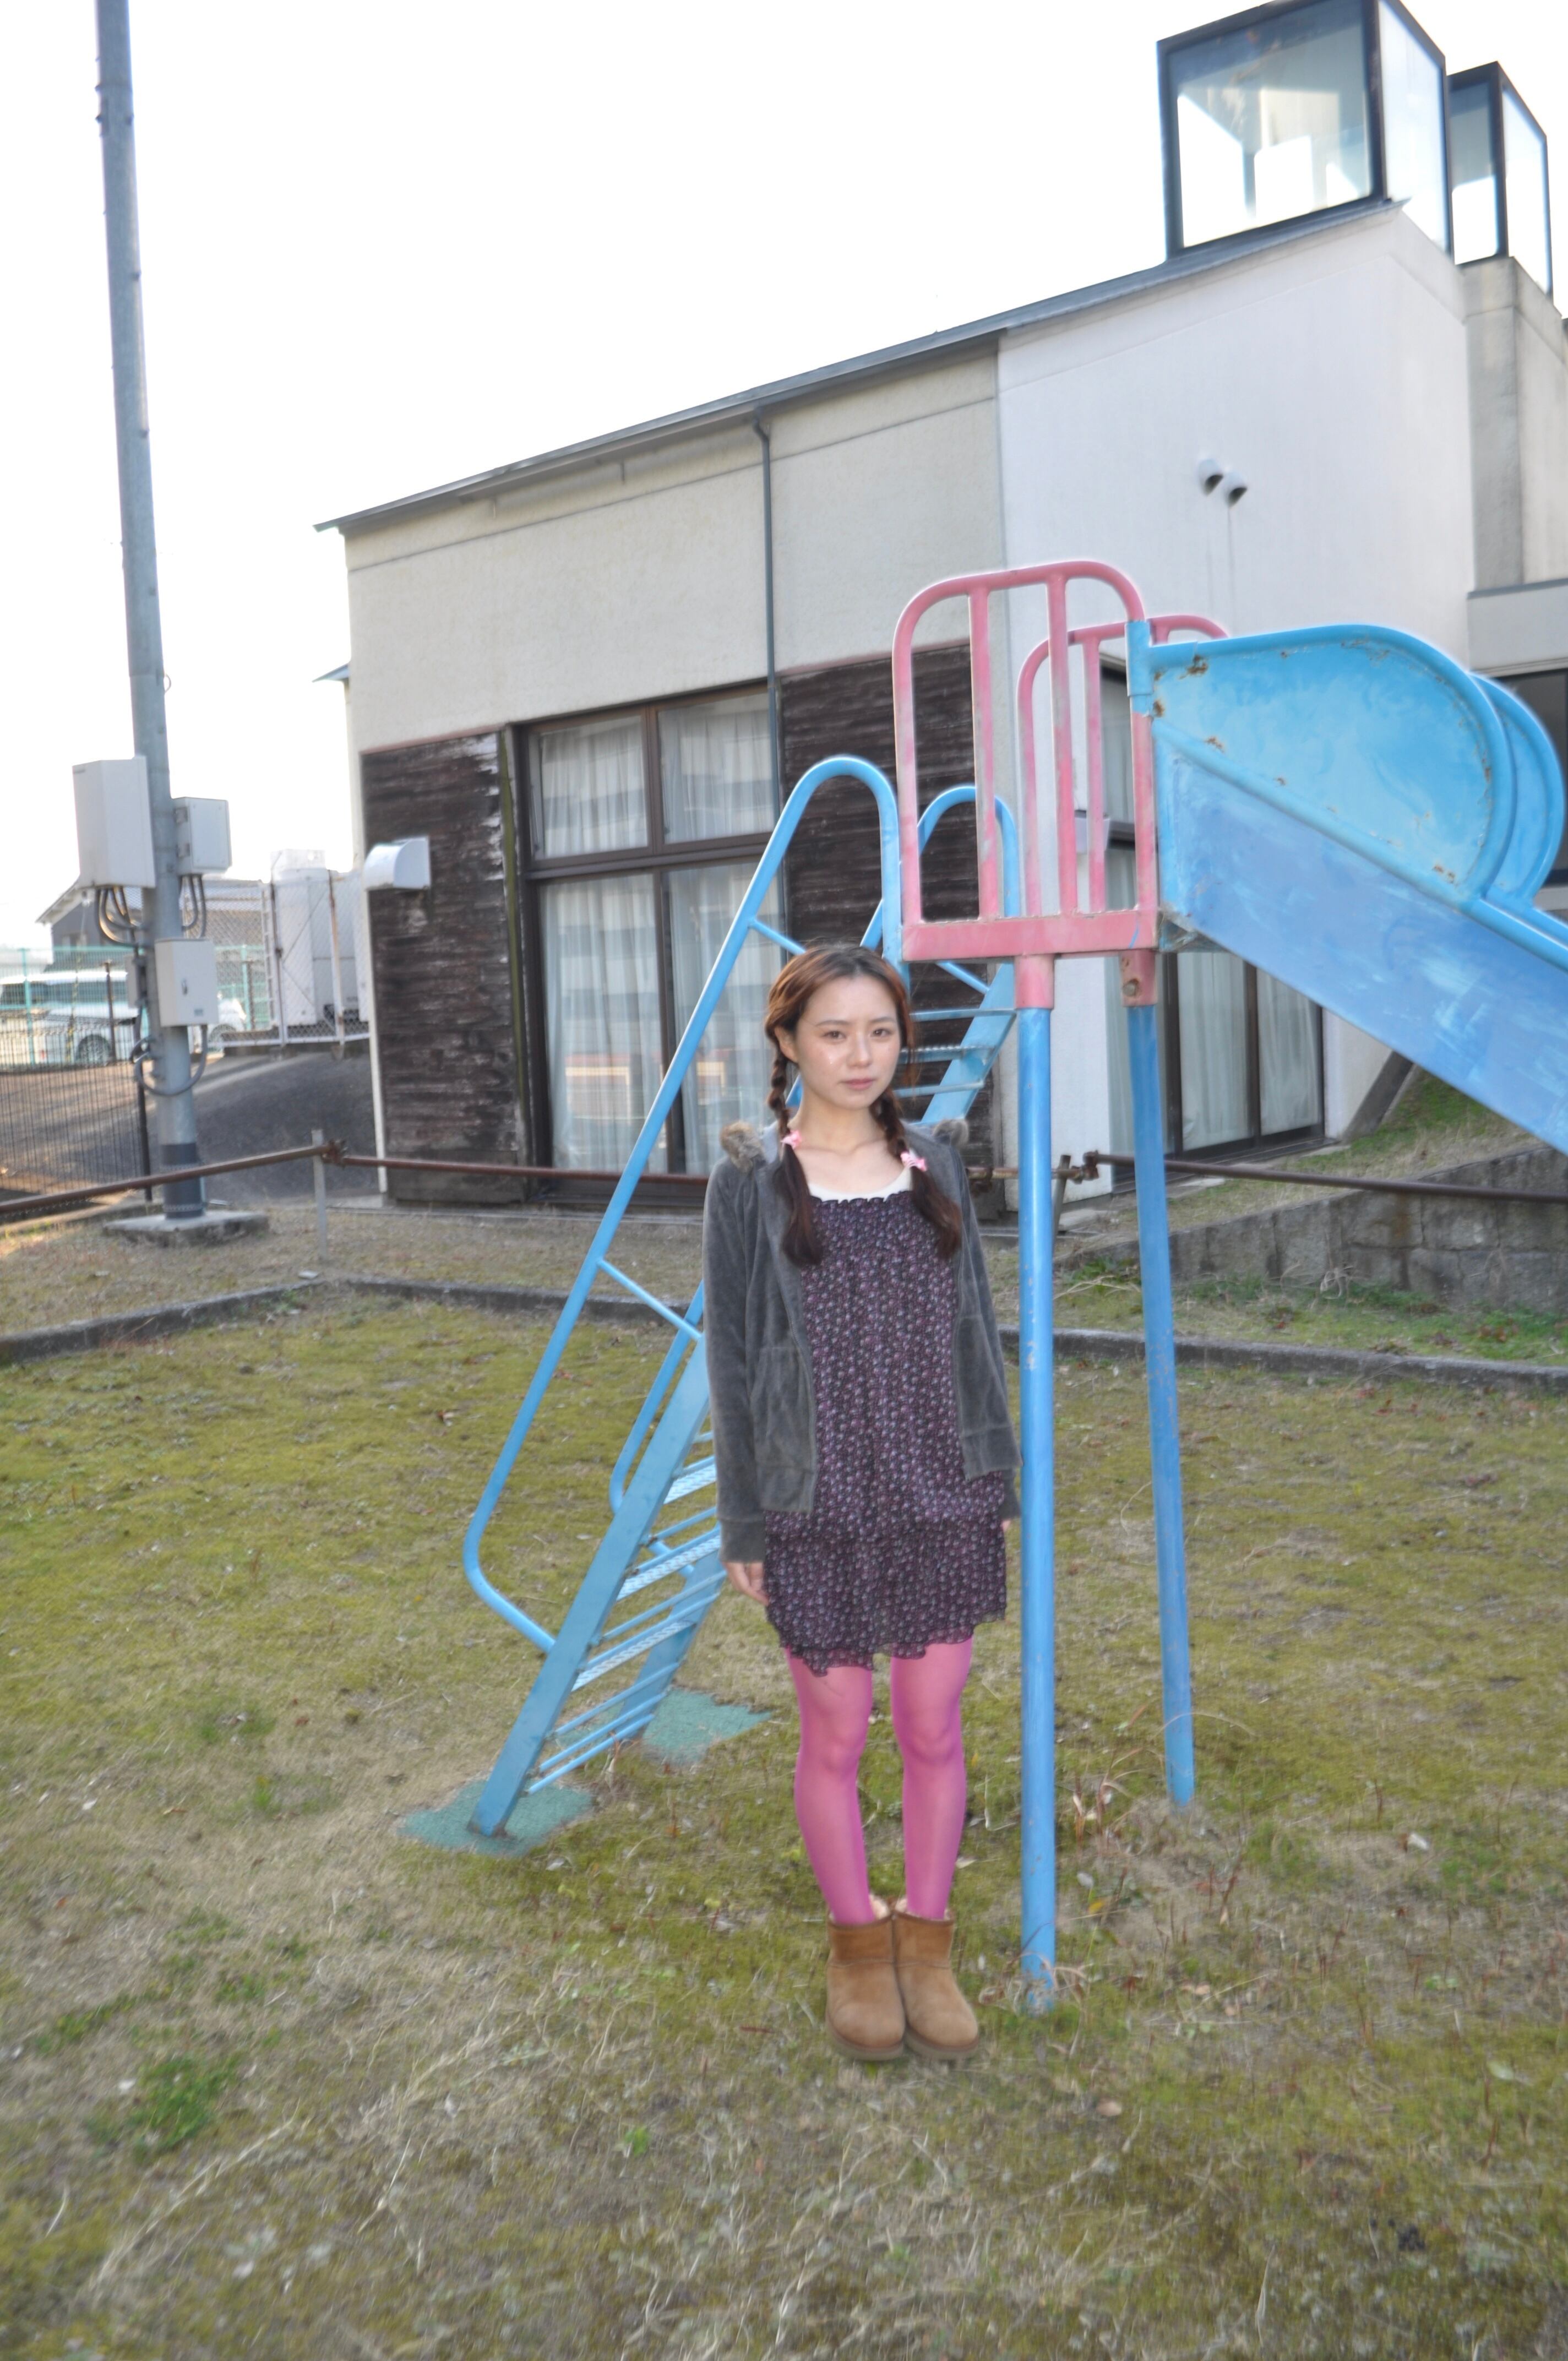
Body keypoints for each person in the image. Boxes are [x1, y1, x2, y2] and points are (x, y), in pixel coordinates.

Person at [702, 944, 1019, 2062]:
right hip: (815, 1500)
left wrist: (996, 1475)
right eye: (833, 1032)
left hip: (939, 1487)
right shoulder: (749, 1180)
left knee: (934, 1724)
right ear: (788, 1042)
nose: (859, 1054)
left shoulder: (934, 1160)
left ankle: (925, 1945)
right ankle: (854, 1943)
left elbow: (977, 1328)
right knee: (834, 1729)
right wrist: (745, 1521)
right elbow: (732, 1361)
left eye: (879, 1031)